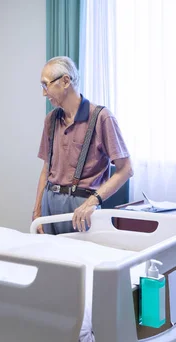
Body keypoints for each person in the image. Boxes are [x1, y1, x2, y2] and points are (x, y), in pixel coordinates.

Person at [33, 56, 134, 235]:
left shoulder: (102, 118)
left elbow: (125, 169)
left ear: (65, 81)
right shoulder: (51, 120)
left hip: (82, 206)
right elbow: (46, 169)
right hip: (50, 200)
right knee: (50, 260)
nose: (43, 93)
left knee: (79, 261)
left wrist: (93, 201)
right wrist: (37, 212)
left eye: (45, 85)